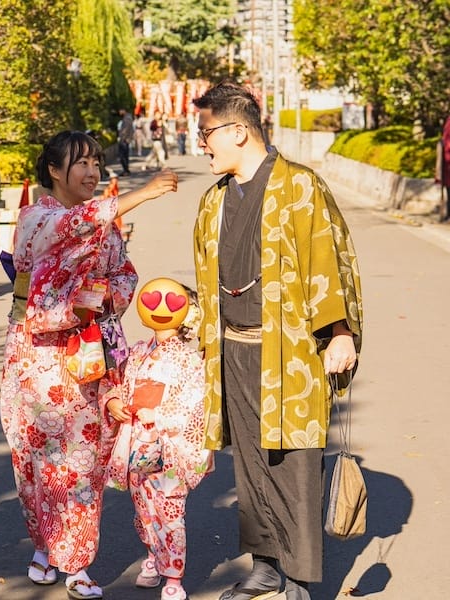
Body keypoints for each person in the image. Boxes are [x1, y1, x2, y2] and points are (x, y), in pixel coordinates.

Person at [191, 81, 363, 600]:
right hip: (233, 349)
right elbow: (209, 276)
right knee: (250, 463)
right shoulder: (214, 200)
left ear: (238, 131)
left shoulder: (299, 186)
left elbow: (328, 262)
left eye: (206, 133)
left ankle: (299, 578)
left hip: (289, 350)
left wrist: (339, 334)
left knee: (293, 463)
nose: (201, 143)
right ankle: (266, 564)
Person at [0, 130, 178, 600]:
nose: (92, 172)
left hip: (88, 348)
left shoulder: (103, 224)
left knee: (82, 460)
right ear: (55, 171)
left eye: (96, 163)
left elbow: (124, 272)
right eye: (81, 163)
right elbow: (69, 227)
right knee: (32, 457)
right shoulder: (36, 217)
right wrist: (139, 195)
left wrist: (99, 300)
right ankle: (44, 543)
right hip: (36, 357)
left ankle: (76, 562)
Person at [105, 278, 213, 600]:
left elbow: (197, 405)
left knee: (169, 509)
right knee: (144, 508)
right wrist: (114, 403)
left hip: (169, 445)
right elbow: (117, 384)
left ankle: (174, 576)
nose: (161, 310)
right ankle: (153, 556)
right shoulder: (138, 352)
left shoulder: (190, 361)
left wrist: (162, 415)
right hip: (138, 439)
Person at [117, 108, 134, 176]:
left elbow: (126, 130)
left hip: (124, 140)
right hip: (126, 139)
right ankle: (126, 170)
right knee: (124, 156)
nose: (119, 112)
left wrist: (122, 138)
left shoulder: (127, 118)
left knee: (123, 156)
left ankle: (126, 170)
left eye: (120, 111)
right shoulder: (128, 117)